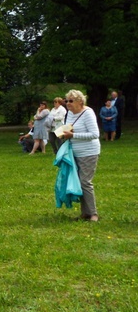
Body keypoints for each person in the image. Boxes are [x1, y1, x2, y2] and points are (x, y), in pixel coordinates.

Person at [61, 90, 101, 221]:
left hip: (89, 152)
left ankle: (93, 214)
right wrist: (61, 133)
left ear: (80, 101)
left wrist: (73, 135)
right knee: (78, 182)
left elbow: (95, 134)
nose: (68, 103)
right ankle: (85, 213)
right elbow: (68, 128)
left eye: (71, 101)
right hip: (74, 153)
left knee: (85, 182)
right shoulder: (69, 114)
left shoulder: (87, 113)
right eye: (66, 101)